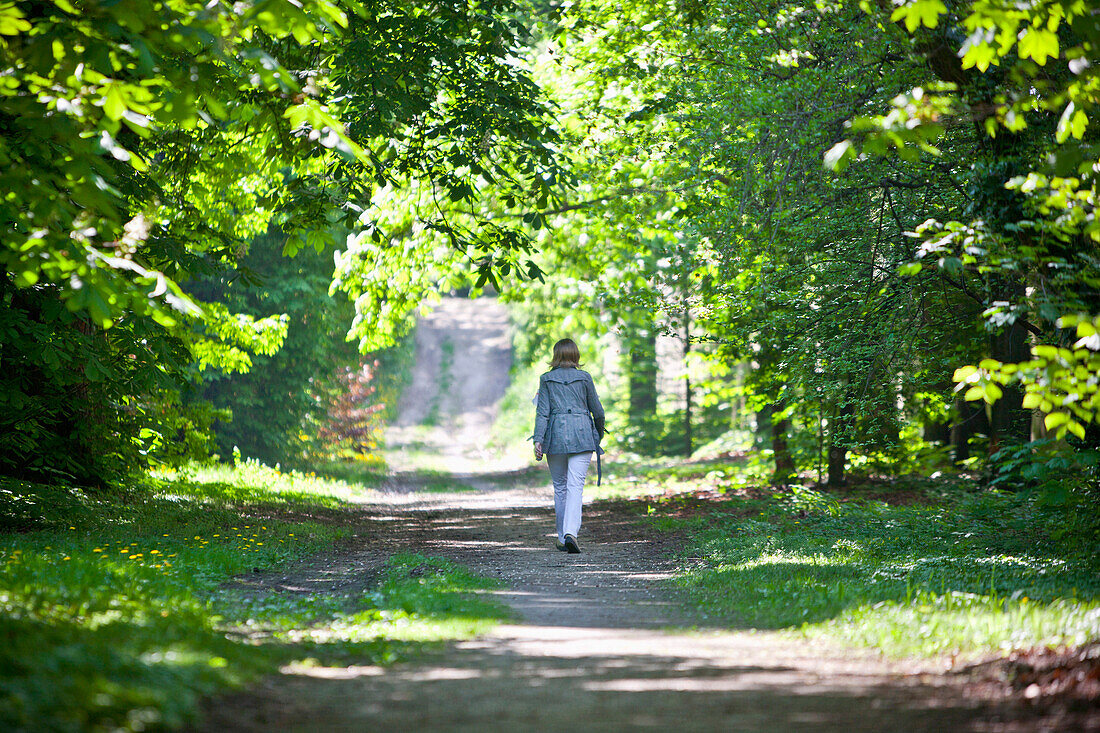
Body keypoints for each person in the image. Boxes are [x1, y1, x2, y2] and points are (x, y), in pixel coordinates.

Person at [532, 338, 605, 554]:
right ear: (576, 355)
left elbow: (542, 412)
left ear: (556, 355)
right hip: (583, 435)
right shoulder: (584, 378)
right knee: (575, 486)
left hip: (555, 436)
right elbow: (598, 412)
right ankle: (570, 532)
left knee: (561, 487)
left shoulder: (546, 379)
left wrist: (538, 439)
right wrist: (597, 436)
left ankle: (563, 537)